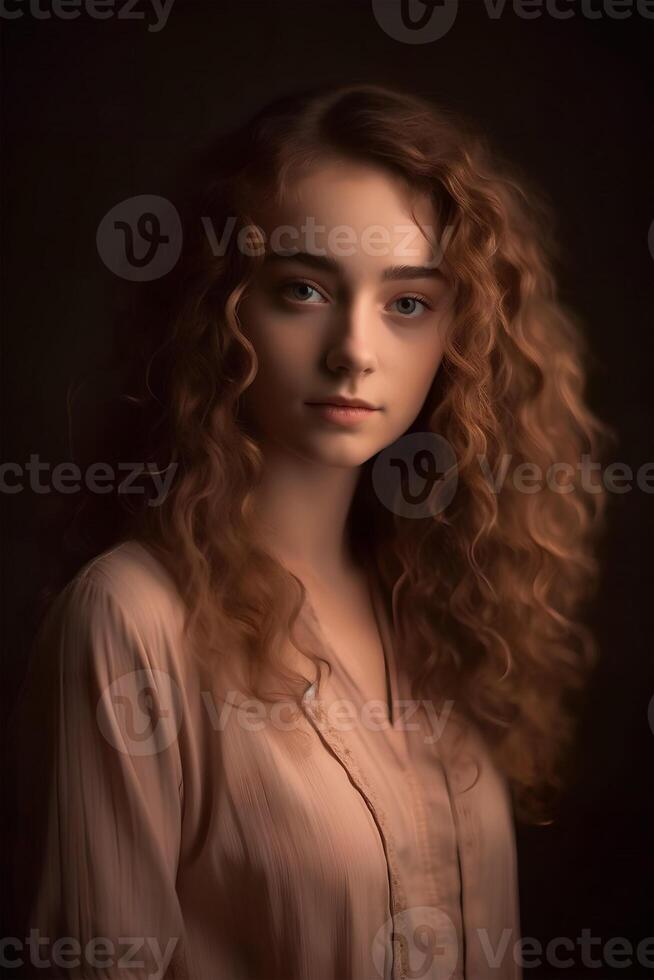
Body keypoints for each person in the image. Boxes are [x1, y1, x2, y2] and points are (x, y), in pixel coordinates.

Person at [7, 82, 612, 980]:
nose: (354, 350)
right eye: (302, 289)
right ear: (219, 310)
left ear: (461, 332)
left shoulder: (445, 607)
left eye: (408, 302)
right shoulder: (129, 622)